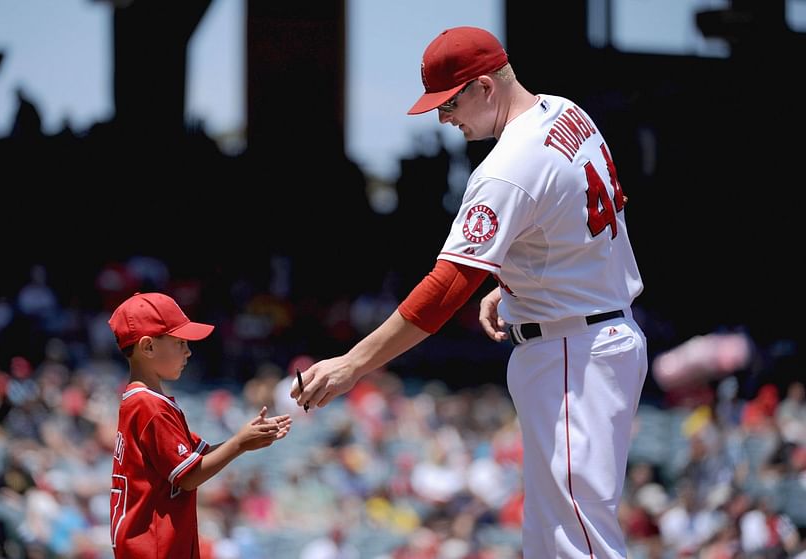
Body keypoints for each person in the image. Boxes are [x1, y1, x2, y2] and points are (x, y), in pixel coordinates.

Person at [292, 26, 647, 558]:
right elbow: (571, 222)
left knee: (579, 542)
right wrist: (515, 282)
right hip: (592, 327)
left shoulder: (507, 167)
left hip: (575, 352)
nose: (443, 118)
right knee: (553, 536)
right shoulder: (565, 111)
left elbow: (445, 290)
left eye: (449, 102)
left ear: (485, 86)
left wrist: (353, 363)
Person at [108, 292, 292, 558]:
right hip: (154, 548)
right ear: (147, 347)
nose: (188, 351)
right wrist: (239, 443)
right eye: (180, 342)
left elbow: (197, 457)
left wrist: (249, 437)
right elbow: (189, 477)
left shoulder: (144, 401)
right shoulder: (149, 405)